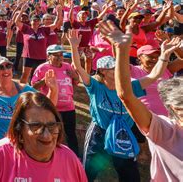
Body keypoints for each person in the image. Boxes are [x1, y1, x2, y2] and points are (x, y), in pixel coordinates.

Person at [67, 28, 178, 182]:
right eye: (114, 68)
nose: (120, 70)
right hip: (99, 133)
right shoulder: (94, 86)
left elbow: (154, 76)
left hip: (124, 134)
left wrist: (164, 55)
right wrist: (73, 46)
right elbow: (78, 68)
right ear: (103, 71)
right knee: (89, 171)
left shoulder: (129, 86)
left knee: (129, 175)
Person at [101, 20, 183, 182]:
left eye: (155, 55)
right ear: (139, 57)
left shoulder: (163, 69)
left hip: (163, 119)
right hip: (145, 119)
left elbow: (157, 73)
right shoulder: (134, 71)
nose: (153, 58)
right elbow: (125, 90)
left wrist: (166, 54)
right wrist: (122, 49)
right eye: (149, 56)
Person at [0, 92, 87, 182]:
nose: (46, 135)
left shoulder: (69, 159)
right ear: (19, 129)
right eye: (36, 126)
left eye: (52, 126)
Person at [31, 44, 80, 156]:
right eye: (56, 55)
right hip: (51, 108)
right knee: (50, 134)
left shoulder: (67, 66)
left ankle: (76, 158)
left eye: (61, 55)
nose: (59, 57)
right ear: (48, 56)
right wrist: (44, 81)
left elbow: (76, 83)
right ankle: (49, 155)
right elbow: (33, 87)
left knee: (71, 134)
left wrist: (75, 76)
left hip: (68, 107)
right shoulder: (42, 68)